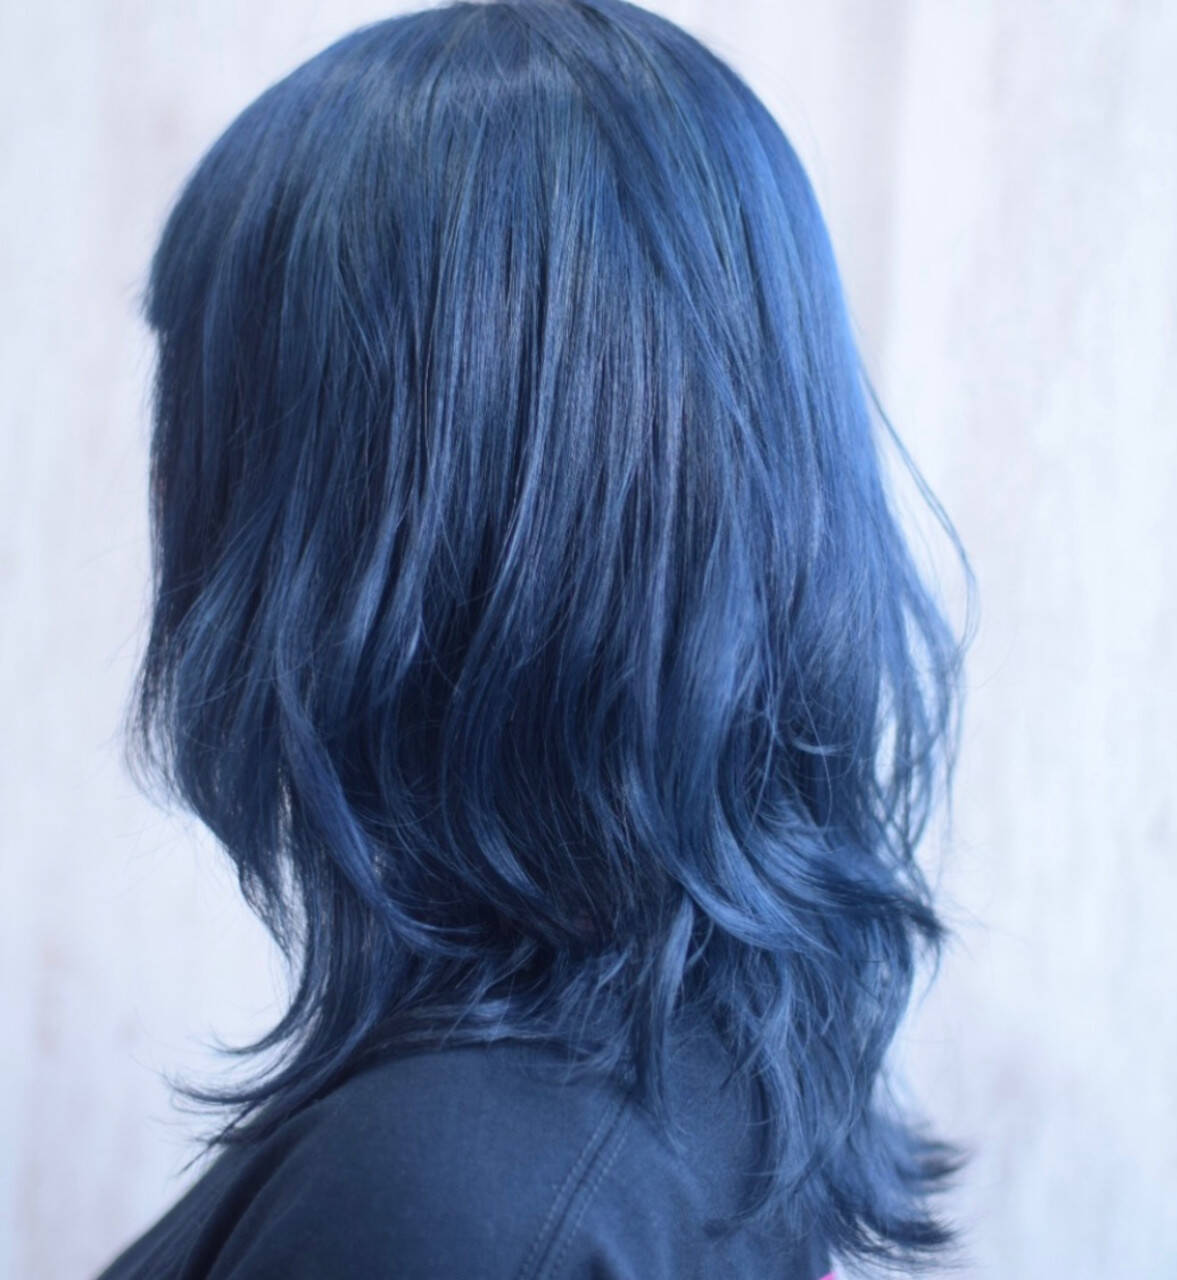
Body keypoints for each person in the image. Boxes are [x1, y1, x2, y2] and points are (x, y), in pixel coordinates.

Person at [94, 1, 973, 1275]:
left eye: (213, 397)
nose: (168, 482)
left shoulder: (447, 1205)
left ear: (370, 509)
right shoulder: (691, 1097)